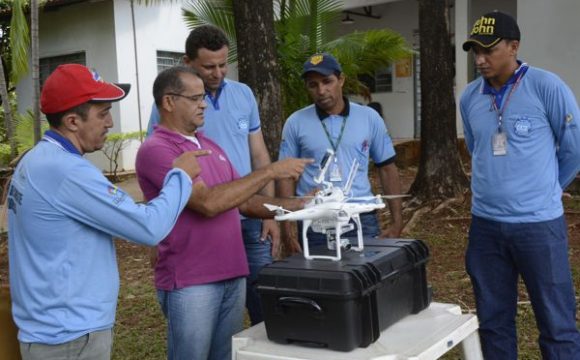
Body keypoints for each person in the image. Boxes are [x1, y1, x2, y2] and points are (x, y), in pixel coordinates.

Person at [7, 64, 205, 360]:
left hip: (53, 327)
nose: (110, 123)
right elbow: (148, 227)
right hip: (70, 336)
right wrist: (180, 176)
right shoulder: (67, 171)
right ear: (73, 121)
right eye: (102, 114)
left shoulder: (37, 159)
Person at [136, 66, 312, 360]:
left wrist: (301, 205)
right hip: (191, 280)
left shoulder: (208, 145)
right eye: (194, 98)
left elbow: (243, 202)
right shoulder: (157, 150)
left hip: (232, 271)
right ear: (168, 102)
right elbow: (208, 203)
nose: (203, 104)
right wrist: (269, 170)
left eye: (203, 97)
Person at [460, 11, 580, 359]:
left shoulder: (546, 86)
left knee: (557, 324)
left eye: (489, 50)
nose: (480, 60)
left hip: (539, 227)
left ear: (514, 47)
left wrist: (550, 187)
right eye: (474, 52)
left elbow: (573, 149)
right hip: (486, 228)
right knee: (494, 320)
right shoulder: (470, 98)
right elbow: (476, 147)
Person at [147, 25, 276, 325]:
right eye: (209, 66)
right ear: (188, 62)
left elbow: (259, 154)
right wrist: (156, 233)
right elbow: (160, 167)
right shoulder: (173, 103)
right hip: (206, 220)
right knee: (211, 309)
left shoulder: (244, 94)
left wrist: (269, 213)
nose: (218, 73)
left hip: (250, 215)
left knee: (264, 303)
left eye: (223, 64)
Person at [278, 53, 404, 253]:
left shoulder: (369, 118)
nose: (321, 90)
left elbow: (387, 168)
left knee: (366, 280)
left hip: (361, 217)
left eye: (327, 81)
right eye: (313, 85)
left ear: (341, 80)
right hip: (314, 219)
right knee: (320, 280)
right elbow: (286, 177)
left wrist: (397, 221)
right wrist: (287, 231)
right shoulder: (295, 122)